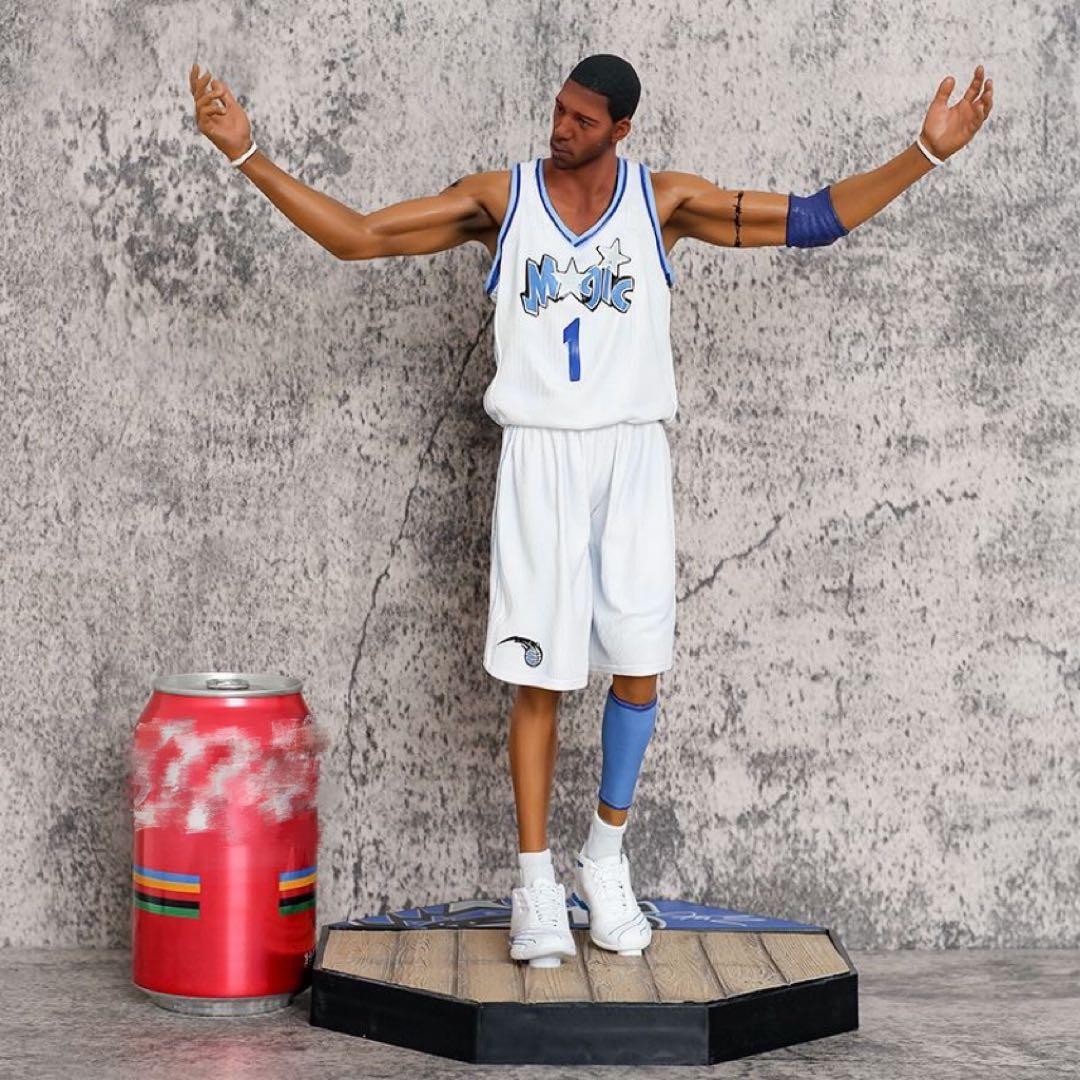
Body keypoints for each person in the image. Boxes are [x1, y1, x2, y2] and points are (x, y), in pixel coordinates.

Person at [189, 52, 993, 968]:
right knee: (540, 680)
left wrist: (925, 154)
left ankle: (603, 860)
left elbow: (811, 220)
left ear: (621, 128)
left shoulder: (664, 203)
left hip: (632, 453)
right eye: (558, 110)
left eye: (582, 119)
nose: (561, 128)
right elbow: (360, 237)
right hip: (541, 457)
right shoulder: (502, 199)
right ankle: (535, 883)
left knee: (639, 668)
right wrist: (245, 153)